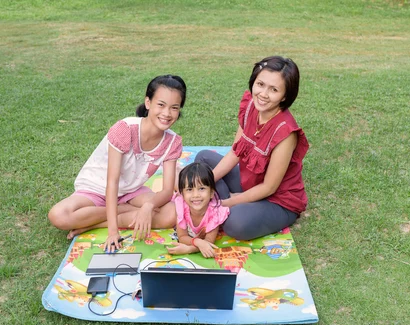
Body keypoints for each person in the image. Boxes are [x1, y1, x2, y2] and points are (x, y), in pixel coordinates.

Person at [48, 75, 187, 252]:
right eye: (161, 105)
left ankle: (96, 223)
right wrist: (113, 232)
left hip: (131, 192)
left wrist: (148, 205)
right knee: (59, 216)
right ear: (147, 103)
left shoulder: (172, 142)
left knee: (173, 213)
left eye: (174, 108)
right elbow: (112, 182)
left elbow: (167, 190)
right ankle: (119, 212)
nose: (167, 113)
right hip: (97, 187)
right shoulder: (125, 129)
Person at [195, 56, 309, 241]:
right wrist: (202, 184)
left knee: (236, 223)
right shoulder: (251, 106)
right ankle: (221, 202)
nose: (263, 94)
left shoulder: (285, 132)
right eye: (260, 84)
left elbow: (269, 187)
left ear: (285, 95)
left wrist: (227, 203)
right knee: (203, 160)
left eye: (274, 90)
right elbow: (235, 152)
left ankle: (224, 205)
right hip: (250, 182)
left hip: (276, 200)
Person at [166, 162, 230, 258]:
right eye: (190, 189)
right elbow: (182, 236)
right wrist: (198, 241)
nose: (196, 195)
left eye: (201, 188)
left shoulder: (215, 213)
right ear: (183, 195)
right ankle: (176, 171)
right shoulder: (181, 207)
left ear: (212, 193)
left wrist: (189, 249)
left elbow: (208, 243)